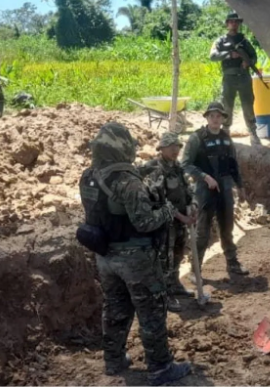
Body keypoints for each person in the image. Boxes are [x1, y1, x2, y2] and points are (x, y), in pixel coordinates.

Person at [79, 123, 192, 385]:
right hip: (135, 258)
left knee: (115, 308)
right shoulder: (127, 180)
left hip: (104, 255)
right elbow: (144, 222)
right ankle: (161, 367)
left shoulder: (89, 176)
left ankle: (114, 360)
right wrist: (165, 211)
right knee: (151, 310)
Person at [181, 102, 250, 277]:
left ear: (223, 118)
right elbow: (186, 164)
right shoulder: (196, 138)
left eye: (218, 116)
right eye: (212, 115)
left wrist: (240, 186)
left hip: (225, 188)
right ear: (206, 117)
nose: (215, 119)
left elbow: (233, 164)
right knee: (203, 230)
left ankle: (232, 264)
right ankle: (195, 269)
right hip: (204, 190)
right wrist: (204, 176)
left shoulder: (226, 138)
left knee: (227, 227)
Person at [139, 132, 196, 313]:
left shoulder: (177, 167)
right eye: (171, 146)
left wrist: (192, 205)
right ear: (161, 149)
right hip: (165, 224)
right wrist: (182, 217)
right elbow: (161, 201)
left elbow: (187, 189)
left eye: (177, 146)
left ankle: (175, 285)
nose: (175, 150)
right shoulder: (156, 169)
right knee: (165, 260)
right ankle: (165, 296)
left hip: (180, 222)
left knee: (178, 255)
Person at [209, 12, 262, 147]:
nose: (234, 24)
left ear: (239, 24)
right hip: (229, 78)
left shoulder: (244, 41)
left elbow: (254, 56)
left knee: (248, 105)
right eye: (231, 22)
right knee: (227, 106)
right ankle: (225, 132)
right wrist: (228, 54)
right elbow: (213, 56)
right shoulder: (220, 41)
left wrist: (247, 62)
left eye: (236, 22)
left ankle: (253, 133)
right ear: (227, 24)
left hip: (244, 76)